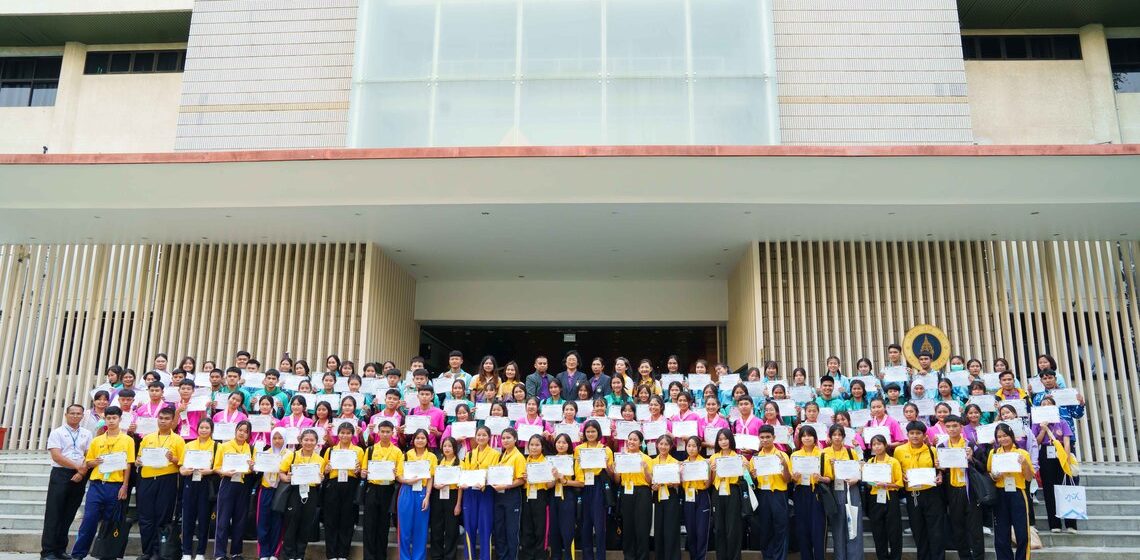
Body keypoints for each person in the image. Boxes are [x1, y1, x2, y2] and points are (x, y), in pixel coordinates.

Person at [70, 406, 135, 560]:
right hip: (97, 484)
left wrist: (125, 486)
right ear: (104, 419)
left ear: (120, 419)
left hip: (115, 485)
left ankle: (107, 554)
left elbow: (128, 465)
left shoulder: (128, 440)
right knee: (89, 520)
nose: (111, 421)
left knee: (110, 522)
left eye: (114, 418)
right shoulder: (97, 440)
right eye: (108, 418)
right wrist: (95, 462)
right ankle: (78, 554)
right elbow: (88, 462)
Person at [42, 404, 93, 560]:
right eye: (72, 413)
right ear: (66, 414)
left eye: (79, 414)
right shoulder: (57, 432)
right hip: (61, 474)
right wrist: (79, 468)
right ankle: (48, 552)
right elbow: (57, 456)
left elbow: (88, 454)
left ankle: (60, 550)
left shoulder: (86, 433)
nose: (75, 416)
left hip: (80, 475)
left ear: (83, 416)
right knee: (54, 513)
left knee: (69, 513)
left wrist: (81, 471)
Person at [135, 407, 185, 560]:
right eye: (161, 418)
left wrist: (173, 459)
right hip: (147, 479)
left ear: (172, 421)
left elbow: (182, 463)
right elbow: (139, 459)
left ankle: (158, 551)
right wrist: (138, 461)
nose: (163, 421)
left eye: (166, 419)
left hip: (167, 480)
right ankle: (146, 551)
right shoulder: (147, 438)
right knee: (145, 517)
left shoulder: (178, 440)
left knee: (163, 517)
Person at [894, 420, 945, 560]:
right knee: (918, 530)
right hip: (913, 494)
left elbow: (940, 470)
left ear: (924, 435)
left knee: (936, 531)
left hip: (932, 493)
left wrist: (940, 475)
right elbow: (896, 470)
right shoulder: (899, 451)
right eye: (912, 433)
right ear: (907, 434)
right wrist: (902, 476)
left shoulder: (932, 450)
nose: (915, 436)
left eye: (918, 433)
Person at [1033, 394, 1079, 534]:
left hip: (1061, 456)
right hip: (1046, 455)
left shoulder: (1062, 422)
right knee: (1049, 490)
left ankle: (1071, 524)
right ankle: (1055, 524)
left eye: (1049, 404)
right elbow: (1037, 442)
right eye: (1043, 405)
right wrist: (1043, 428)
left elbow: (1067, 442)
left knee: (1066, 487)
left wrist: (1066, 459)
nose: (1046, 406)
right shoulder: (1036, 423)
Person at [941, 414, 984, 560]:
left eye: (955, 426)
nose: (952, 429)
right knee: (958, 529)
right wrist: (940, 469)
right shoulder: (942, 447)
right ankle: (965, 557)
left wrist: (972, 458)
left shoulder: (970, 445)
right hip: (953, 491)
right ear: (945, 428)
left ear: (961, 427)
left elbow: (983, 467)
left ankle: (979, 557)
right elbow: (941, 472)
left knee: (975, 529)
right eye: (948, 426)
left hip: (970, 490)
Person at [989, 423, 1035, 560]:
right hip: (1000, 493)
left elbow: (1028, 477)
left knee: (1022, 532)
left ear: (1012, 436)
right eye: (999, 437)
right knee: (1001, 533)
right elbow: (990, 474)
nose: (1003, 439)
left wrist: (1024, 464)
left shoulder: (1022, 453)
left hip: (1017, 493)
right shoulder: (994, 453)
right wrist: (995, 475)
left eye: (1005, 436)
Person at [279, 429, 327, 560]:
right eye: (306, 440)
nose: (309, 443)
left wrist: (321, 479)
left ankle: (300, 555)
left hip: (311, 493)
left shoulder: (320, 459)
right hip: (294, 491)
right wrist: (286, 478)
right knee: (291, 523)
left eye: (312, 440)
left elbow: (319, 479)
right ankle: (289, 555)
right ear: (301, 440)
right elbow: (281, 473)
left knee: (305, 524)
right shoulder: (292, 455)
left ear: (317, 443)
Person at [213, 420, 255, 560]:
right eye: (240, 430)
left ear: (249, 434)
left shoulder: (249, 447)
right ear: (235, 430)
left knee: (240, 519)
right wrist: (225, 472)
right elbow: (216, 467)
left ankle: (236, 552)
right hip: (227, 483)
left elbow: (249, 471)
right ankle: (220, 553)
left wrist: (250, 468)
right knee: (223, 520)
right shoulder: (224, 446)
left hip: (242, 485)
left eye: (246, 431)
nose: (242, 433)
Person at [322, 422, 364, 560]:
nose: (345, 435)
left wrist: (358, 470)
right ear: (338, 434)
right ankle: (332, 555)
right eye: (342, 432)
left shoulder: (358, 450)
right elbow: (324, 471)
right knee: (331, 520)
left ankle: (343, 554)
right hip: (333, 486)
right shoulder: (331, 450)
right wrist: (327, 470)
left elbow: (361, 472)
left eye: (348, 433)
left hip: (350, 485)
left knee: (347, 520)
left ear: (352, 435)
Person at [362, 421, 403, 560]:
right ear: (378, 432)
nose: (385, 434)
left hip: (388, 489)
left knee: (383, 525)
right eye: (382, 431)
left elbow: (400, 474)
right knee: (369, 525)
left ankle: (381, 556)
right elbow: (363, 472)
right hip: (372, 488)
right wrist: (363, 472)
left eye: (388, 432)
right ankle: (369, 557)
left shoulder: (397, 451)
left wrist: (396, 472)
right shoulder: (370, 450)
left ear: (393, 433)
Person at [574, 420, 614, 560]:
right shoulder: (579, 449)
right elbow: (577, 469)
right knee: (585, 525)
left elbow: (611, 474)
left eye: (593, 431)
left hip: (599, 485)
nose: (590, 434)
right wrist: (580, 482)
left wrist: (605, 464)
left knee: (599, 524)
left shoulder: (606, 449)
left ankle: (600, 556)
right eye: (588, 431)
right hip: (584, 485)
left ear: (598, 433)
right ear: (584, 433)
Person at [822, 424, 862, 560]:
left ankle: (855, 557)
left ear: (844, 437)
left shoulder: (851, 452)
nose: (837, 437)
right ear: (830, 437)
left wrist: (856, 479)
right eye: (834, 435)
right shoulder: (824, 452)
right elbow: (823, 474)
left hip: (851, 488)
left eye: (840, 435)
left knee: (854, 524)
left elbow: (860, 470)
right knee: (838, 526)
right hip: (834, 488)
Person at [709, 429, 748, 560]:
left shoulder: (739, 457)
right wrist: (712, 471)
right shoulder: (713, 457)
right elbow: (710, 481)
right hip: (718, 492)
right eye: (720, 439)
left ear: (731, 439)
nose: (723, 442)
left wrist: (745, 468)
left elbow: (748, 480)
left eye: (725, 438)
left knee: (733, 528)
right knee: (719, 528)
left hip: (733, 492)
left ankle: (734, 557)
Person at [398, 429, 437, 560]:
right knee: (404, 529)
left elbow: (431, 478)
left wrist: (427, 496)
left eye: (423, 438)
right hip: (406, 491)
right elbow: (399, 476)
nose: (420, 440)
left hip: (422, 492)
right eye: (417, 438)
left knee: (420, 530)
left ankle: (418, 558)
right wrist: (407, 480)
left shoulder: (431, 457)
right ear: (413, 440)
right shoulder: (406, 455)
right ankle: (404, 557)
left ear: (427, 440)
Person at [461, 427, 498, 560]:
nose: (481, 438)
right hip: (470, 493)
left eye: (484, 435)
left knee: (485, 528)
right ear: (475, 437)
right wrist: (464, 482)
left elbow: (494, 474)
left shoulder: (495, 454)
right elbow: (464, 472)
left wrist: (485, 481)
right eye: (478, 435)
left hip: (485, 493)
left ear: (489, 437)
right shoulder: (469, 454)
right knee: (469, 529)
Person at [865, 434, 903, 560]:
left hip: (890, 497)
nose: (877, 447)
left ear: (885, 445)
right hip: (875, 498)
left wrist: (886, 484)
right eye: (874, 444)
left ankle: (896, 557)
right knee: (878, 532)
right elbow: (867, 482)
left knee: (894, 532)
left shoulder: (893, 461)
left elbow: (899, 484)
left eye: (879, 444)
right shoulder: (870, 462)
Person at [790, 425, 825, 560]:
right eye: (803, 436)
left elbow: (829, 477)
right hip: (800, 492)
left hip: (816, 491)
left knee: (817, 529)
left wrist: (820, 478)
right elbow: (791, 479)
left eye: (809, 435)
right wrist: (794, 478)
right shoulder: (795, 455)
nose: (806, 438)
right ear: (800, 438)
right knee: (802, 529)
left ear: (815, 438)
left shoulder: (822, 454)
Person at [616, 431, 651, 560]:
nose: (631, 442)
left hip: (642, 492)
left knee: (642, 527)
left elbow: (650, 481)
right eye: (629, 439)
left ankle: (642, 557)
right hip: (627, 491)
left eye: (635, 439)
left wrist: (646, 469)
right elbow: (617, 480)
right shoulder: (621, 457)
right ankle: (629, 556)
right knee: (628, 525)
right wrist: (616, 469)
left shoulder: (646, 458)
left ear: (640, 443)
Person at [491, 429, 526, 560]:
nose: (505, 440)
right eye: (503, 438)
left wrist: (505, 486)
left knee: (512, 531)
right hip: (499, 495)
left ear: (515, 439)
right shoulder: (502, 455)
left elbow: (521, 479)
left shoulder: (518, 457)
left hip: (512, 495)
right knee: (499, 530)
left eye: (508, 438)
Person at [254, 429, 288, 560]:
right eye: (275, 438)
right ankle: (264, 553)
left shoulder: (289, 454)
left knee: (277, 522)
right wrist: (254, 466)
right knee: (262, 521)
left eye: (280, 438)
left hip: (280, 491)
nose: (277, 441)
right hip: (266, 489)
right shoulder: (265, 453)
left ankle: (274, 553)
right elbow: (257, 470)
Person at [650, 435, 682, 560]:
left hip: (671, 496)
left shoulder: (675, 462)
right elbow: (650, 481)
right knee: (659, 528)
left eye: (666, 444)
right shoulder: (652, 462)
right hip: (658, 497)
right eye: (661, 444)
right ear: (657, 445)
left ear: (671, 446)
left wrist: (673, 482)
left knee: (671, 528)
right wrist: (653, 486)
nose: (663, 447)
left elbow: (678, 482)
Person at [430, 437, 463, 560]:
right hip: (438, 496)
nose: (447, 449)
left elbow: (460, 487)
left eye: (450, 446)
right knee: (436, 528)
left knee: (451, 529)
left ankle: (450, 556)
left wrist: (458, 504)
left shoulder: (460, 463)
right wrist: (435, 485)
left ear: (454, 448)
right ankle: (436, 556)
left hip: (453, 497)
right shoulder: (438, 462)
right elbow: (432, 481)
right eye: (445, 446)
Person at [518, 435, 550, 560]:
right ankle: (528, 557)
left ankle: (540, 557)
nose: (534, 447)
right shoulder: (525, 461)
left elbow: (550, 484)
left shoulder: (547, 461)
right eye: (532, 445)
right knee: (527, 529)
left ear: (542, 447)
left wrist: (550, 476)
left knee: (540, 530)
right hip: (526, 497)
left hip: (541, 496)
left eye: (537, 445)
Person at [548, 433, 578, 560]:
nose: (561, 445)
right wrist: (555, 479)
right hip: (553, 496)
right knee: (554, 531)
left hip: (568, 496)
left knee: (567, 531)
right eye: (558, 442)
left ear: (569, 445)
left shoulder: (574, 460)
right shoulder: (549, 460)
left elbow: (580, 483)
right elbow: (548, 485)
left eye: (564, 442)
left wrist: (564, 481)